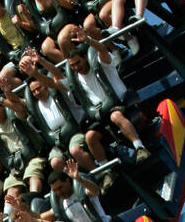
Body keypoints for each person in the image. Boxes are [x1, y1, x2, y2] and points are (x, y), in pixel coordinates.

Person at [60, 29, 150, 171]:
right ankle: (106, 171)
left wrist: (88, 40)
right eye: (72, 66)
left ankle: (140, 147)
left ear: (85, 57)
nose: (77, 68)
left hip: (120, 104)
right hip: (101, 113)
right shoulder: (76, 78)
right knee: (90, 137)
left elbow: (102, 50)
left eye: (78, 63)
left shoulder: (102, 64)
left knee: (116, 116)